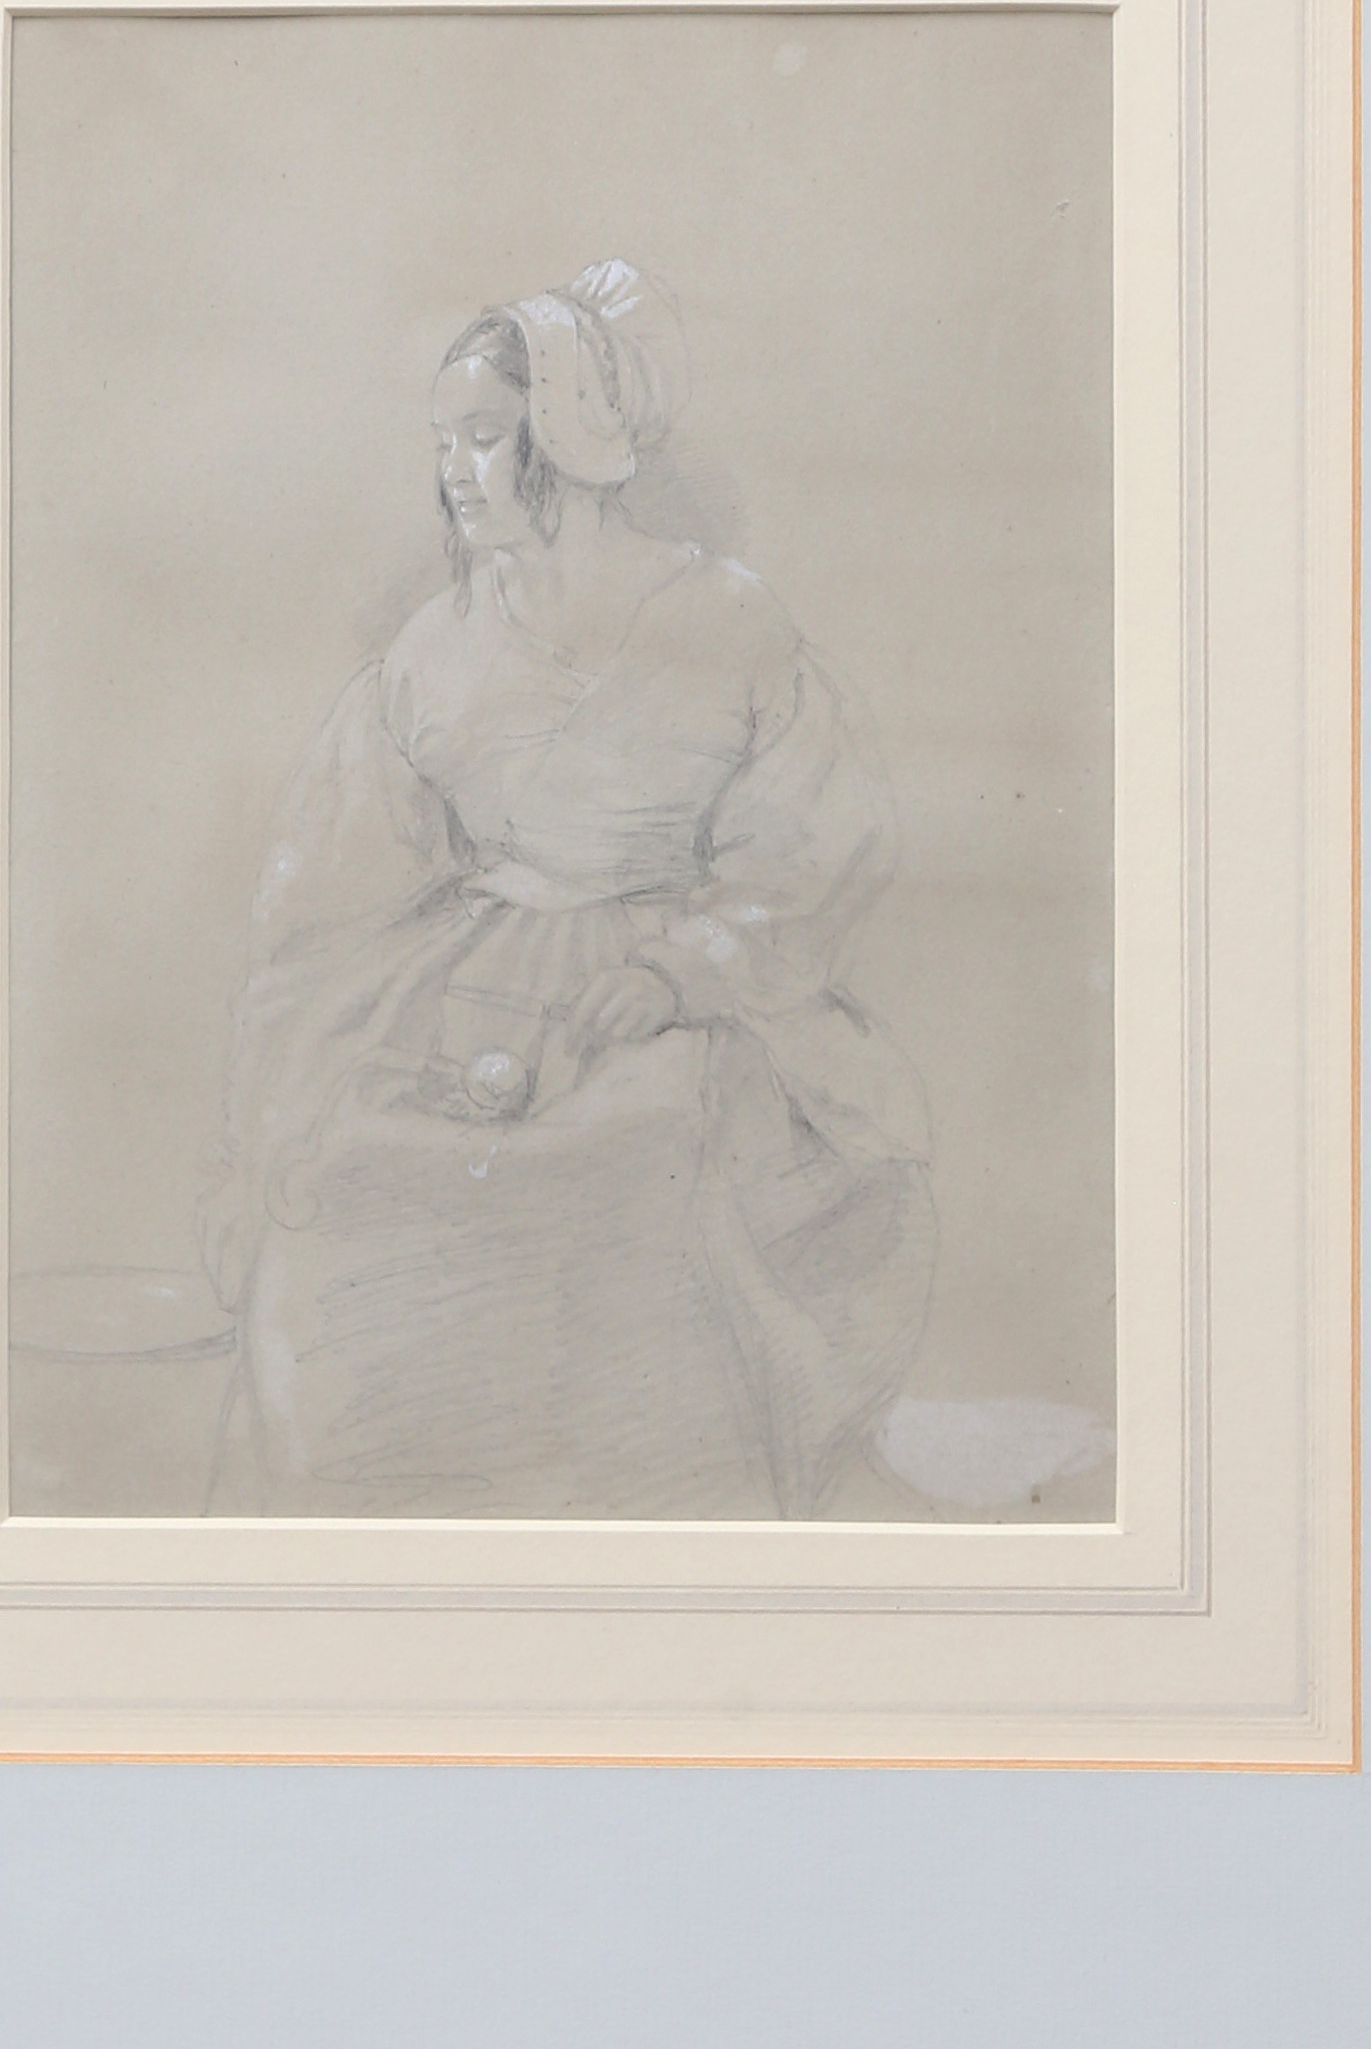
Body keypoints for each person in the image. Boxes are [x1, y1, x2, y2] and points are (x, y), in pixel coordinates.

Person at [200, 259, 934, 1517]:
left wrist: (674, 975)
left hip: (691, 1007)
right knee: (360, 1175)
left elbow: (814, 847)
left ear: (569, 435)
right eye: (443, 441)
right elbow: (330, 890)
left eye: (485, 437)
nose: (455, 469)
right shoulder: (430, 651)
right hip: (467, 990)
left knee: (633, 1164)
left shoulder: (728, 622)